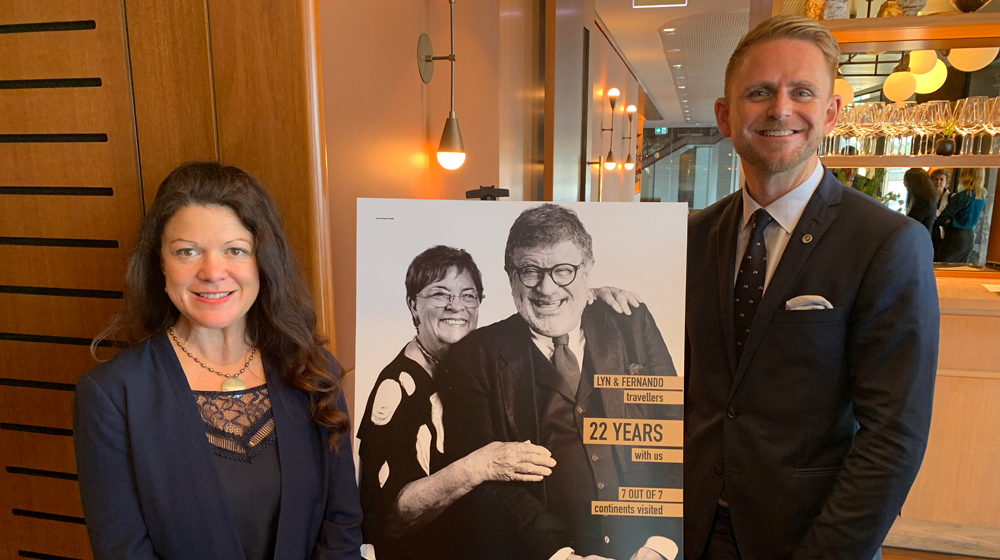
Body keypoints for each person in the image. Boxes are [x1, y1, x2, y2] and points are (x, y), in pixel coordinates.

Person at [688, 15, 938, 560]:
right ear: (725, 115)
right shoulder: (691, 236)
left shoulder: (888, 243)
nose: (780, 109)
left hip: (809, 538)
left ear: (830, 113)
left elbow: (893, 436)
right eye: (759, 92)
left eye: (801, 92)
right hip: (687, 530)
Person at [73, 162, 362, 560]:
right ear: (161, 263)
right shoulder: (111, 395)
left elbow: (342, 525)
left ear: (262, 261)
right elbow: (123, 550)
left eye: (235, 250)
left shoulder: (312, 371)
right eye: (187, 251)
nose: (212, 272)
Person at [442, 204, 682, 560]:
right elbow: (486, 481)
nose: (547, 288)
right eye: (530, 271)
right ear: (510, 276)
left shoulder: (632, 323)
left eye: (563, 271)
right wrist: (560, 555)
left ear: (587, 269)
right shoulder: (474, 356)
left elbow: (674, 432)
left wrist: (661, 543)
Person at [357, 245, 557, 560]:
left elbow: (530, 322)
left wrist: (588, 301)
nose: (456, 306)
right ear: (413, 305)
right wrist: (479, 465)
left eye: (468, 295)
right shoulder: (396, 388)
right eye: (440, 294)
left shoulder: (475, 365)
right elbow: (387, 519)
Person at [934, 167, 988, 263]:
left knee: (943, 265)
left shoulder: (962, 196)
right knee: (959, 267)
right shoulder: (981, 196)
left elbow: (941, 219)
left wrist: (947, 220)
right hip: (969, 237)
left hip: (955, 238)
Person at [904, 168, 938, 236]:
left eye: (906, 182)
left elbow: (911, 222)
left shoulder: (925, 203)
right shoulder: (923, 200)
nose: (905, 184)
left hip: (920, 238)